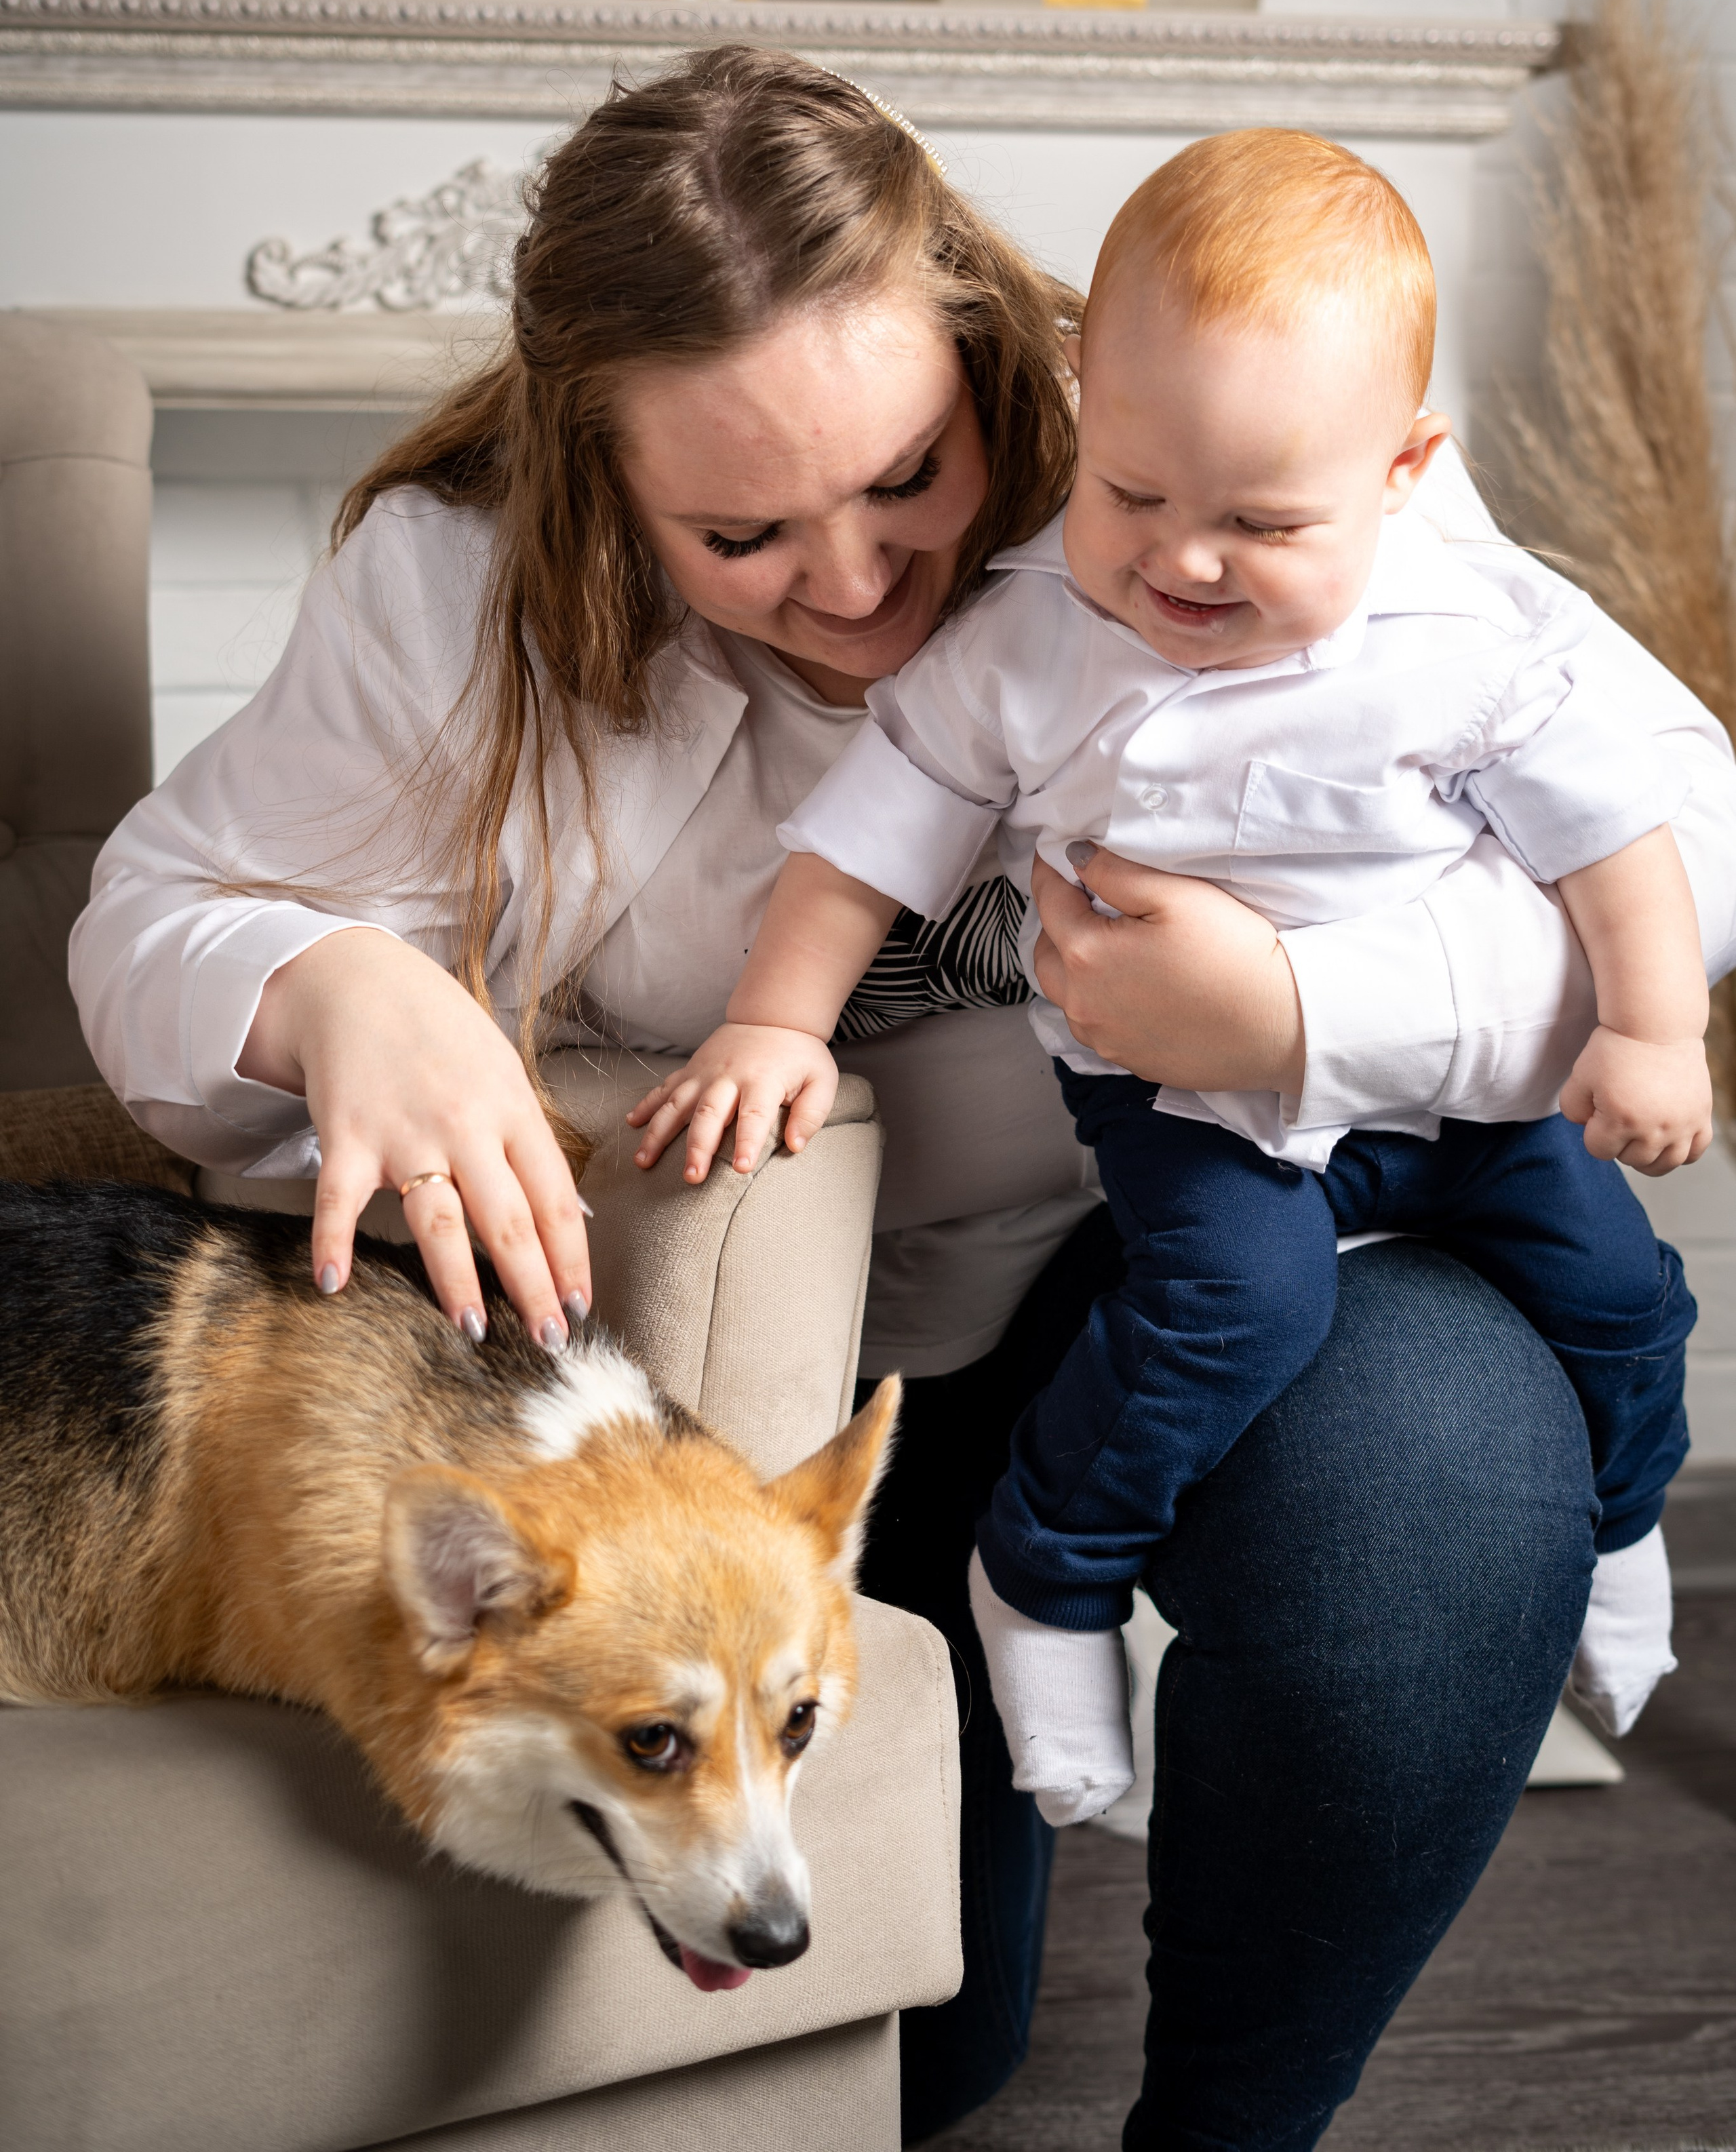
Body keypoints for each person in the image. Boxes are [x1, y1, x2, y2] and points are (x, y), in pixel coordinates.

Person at [70, 53, 1736, 2151]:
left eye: (910, 481)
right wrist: (331, 985)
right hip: (800, 1383)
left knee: (1433, 1499)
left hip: (1208, 1233)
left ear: (989, 359)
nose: (858, 585)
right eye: (741, 534)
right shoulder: (453, 586)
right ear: (601, 486)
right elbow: (152, 922)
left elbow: (1678, 840)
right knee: (928, 2059)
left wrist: (1302, 1008)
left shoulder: (1202, 419)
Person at [630, 129, 1705, 1828]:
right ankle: (1045, 1574)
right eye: (1130, 496)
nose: (1183, 563)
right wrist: (775, 1018)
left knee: (1619, 1294)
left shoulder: (1467, 639)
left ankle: (1621, 1524)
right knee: (1232, 1313)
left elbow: (1618, 842)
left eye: (1261, 524)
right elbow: (864, 843)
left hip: (1457, 1105)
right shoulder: (1024, 639)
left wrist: (1648, 1028)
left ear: (1403, 471)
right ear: (1082, 409)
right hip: (1185, 1107)